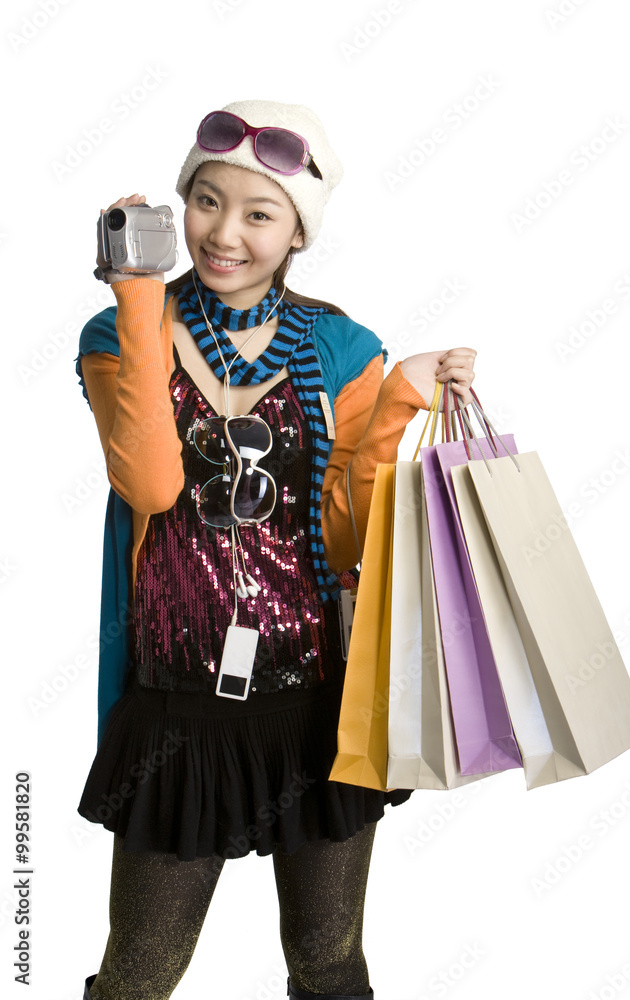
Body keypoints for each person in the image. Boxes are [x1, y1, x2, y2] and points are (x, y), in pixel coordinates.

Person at [75, 99, 477, 1000]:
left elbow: (347, 530)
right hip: (176, 713)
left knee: (329, 966)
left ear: (298, 231)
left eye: (259, 213)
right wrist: (139, 290)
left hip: (313, 706)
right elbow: (150, 485)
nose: (223, 233)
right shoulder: (118, 333)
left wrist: (402, 401)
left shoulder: (339, 347)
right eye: (205, 201)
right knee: (138, 975)